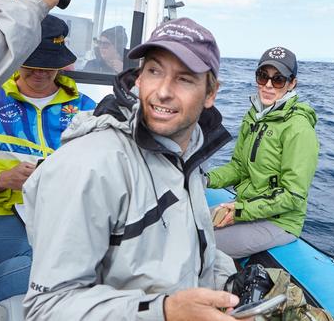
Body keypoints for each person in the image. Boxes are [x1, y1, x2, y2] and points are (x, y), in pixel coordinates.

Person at [21, 17, 243, 320]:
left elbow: (188, 245)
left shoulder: (187, 154)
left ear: (211, 93)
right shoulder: (89, 167)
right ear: (138, 78)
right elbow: (46, 308)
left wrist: (229, 284)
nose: (163, 90)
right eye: (154, 71)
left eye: (185, 78)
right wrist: (164, 311)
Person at [0, 14, 96, 320]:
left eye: (49, 64)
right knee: (45, 263)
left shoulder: (88, 109)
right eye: (31, 63)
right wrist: (2, 178)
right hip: (2, 218)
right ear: (16, 57)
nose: (40, 72)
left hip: (67, 221)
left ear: (62, 62)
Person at [207, 46, 319, 258]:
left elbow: (293, 196)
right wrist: (204, 179)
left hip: (278, 222)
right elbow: (238, 167)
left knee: (199, 243)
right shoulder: (254, 116)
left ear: (292, 83)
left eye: (278, 80)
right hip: (247, 208)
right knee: (184, 226)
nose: (268, 85)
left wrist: (241, 211)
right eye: (262, 77)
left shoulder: (299, 129)